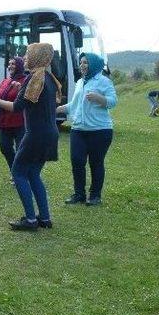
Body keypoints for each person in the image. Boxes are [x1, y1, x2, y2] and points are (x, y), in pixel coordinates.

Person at [0, 43, 61, 230]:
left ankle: (30, 220)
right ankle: (44, 218)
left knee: (18, 172)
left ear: (37, 56)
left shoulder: (34, 78)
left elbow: (17, 107)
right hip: (50, 133)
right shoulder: (48, 77)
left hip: (36, 134)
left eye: (28, 53)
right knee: (33, 173)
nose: (24, 57)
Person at [56, 52, 118, 206]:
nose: (82, 66)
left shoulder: (104, 81)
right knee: (77, 161)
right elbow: (74, 105)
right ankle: (79, 194)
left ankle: (95, 196)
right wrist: (57, 109)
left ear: (94, 64)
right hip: (78, 130)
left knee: (96, 163)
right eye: (81, 62)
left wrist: (99, 98)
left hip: (100, 130)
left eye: (85, 63)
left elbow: (113, 101)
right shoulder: (79, 82)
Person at [0, 57, 27, 180]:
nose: (10, 66)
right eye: (9, 64)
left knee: (20, 151)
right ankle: (15, 171)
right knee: (5, 148)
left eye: (13, 64)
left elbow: (25, 100)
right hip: (5, 122)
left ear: (19, 65)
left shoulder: (25, 80)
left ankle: (20, 174)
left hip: (20, 122)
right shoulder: (5, 82)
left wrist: (19, 89)